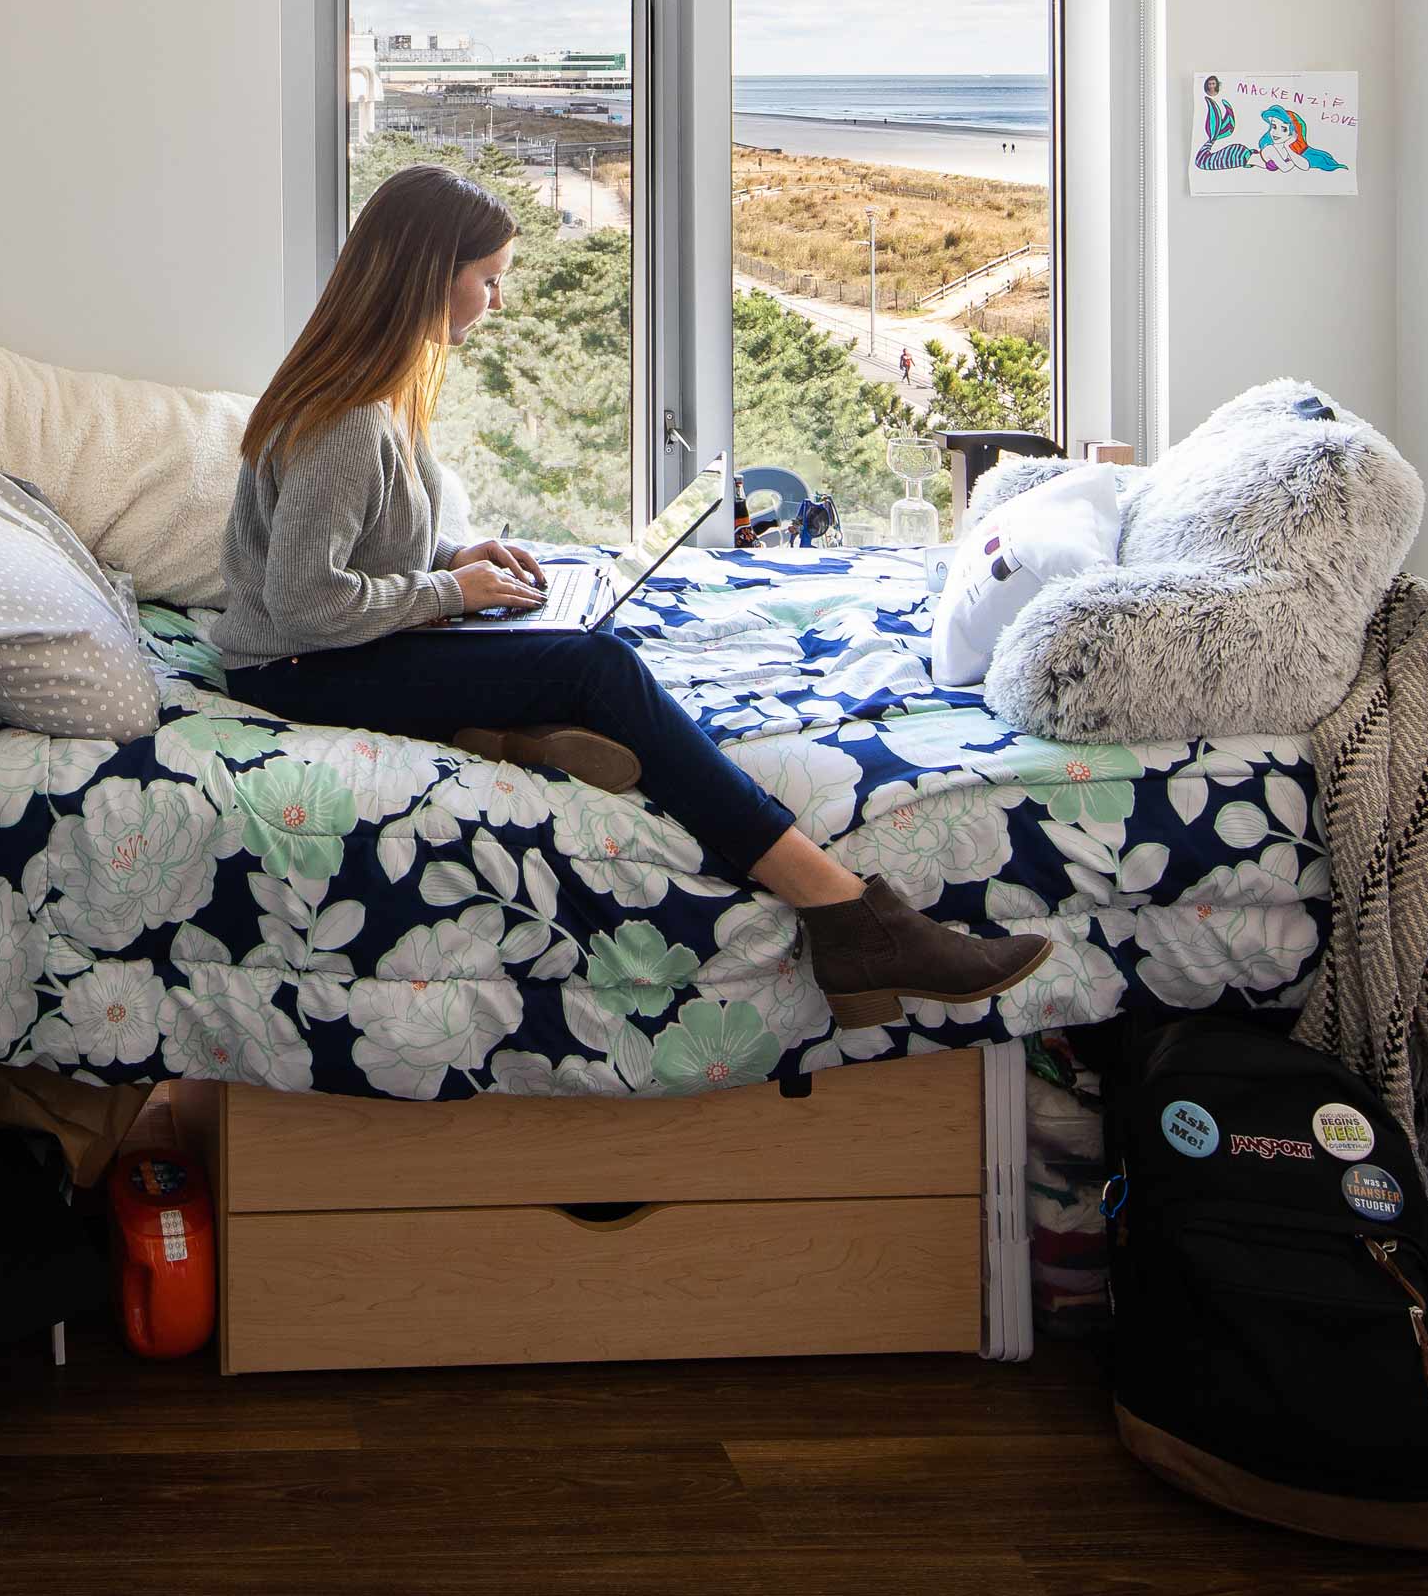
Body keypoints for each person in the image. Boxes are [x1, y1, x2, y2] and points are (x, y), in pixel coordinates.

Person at [209, 161, 1050, 1026]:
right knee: (598, 667)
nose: (498, 302)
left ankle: (516, 728)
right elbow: (307, 602)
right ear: (430, 276)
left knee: (588, 653)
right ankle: (849, 915)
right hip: (301, 667)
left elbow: (369, 539)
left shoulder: (379, 393)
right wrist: (452, 593)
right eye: (488, 280)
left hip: (344, 646)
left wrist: (464, 555)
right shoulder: (348, 419)